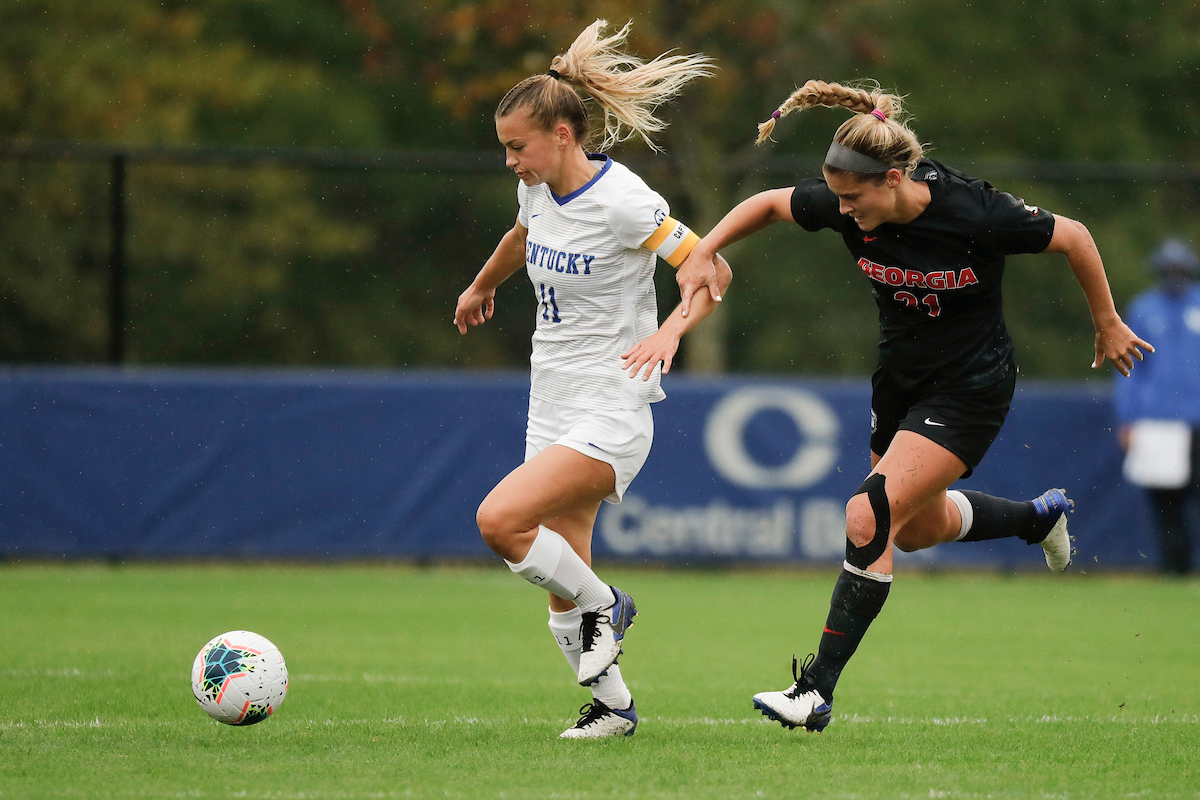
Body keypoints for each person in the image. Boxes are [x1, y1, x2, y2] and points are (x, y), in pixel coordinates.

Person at [675, 79, 1152, 733]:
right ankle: (1035, 519)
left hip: (972, 387)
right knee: (917, 529)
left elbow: (1072, 234)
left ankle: (815, 692)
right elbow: (767, 205)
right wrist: (705, 248)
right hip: (901, 384)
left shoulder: (975, 213)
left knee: (866, 514)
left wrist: (1106, 320)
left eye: (854, 197)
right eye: (836, 198)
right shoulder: (849, 203)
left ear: (896, 177)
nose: (843, 210)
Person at [453, 20, 729, 739]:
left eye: (519, 146)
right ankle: (613, 707)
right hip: (552, 399)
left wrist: (670, 331)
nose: (511, 160)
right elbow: (521, 235)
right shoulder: (539, 191)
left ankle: (611, 603)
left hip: (613, 401)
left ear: (564, 136)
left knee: (501, 522)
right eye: (504, 147)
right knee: (559, 583)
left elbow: (710, 270)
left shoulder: (624, 200)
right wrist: (481, 286)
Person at [1115, 239, 1200, 574]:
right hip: (1159, 420)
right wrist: (1128, 418)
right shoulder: (1144, 308)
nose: (1174, 277)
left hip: (1197, 419)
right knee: (1166, 501)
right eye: (1169, 270)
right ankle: (1175, 567)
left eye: (1179, 270)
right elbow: (1129, 369)